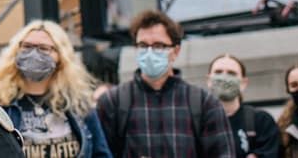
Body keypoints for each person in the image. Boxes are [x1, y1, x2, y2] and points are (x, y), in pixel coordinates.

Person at [95, 9, 234, 158]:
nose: (149, 53)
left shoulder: (203, 103)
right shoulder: (112, 102)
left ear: (175, 51)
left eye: (158, 46)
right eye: (142, 45)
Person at [0, 19, 111, 158]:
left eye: (44, 48)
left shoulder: (79, 105)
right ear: (16, 51)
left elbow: (101, 154)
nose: (34, 53)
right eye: (27, 46)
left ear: (61, 56)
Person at [208, 54, 279, 158]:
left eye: (232, 73)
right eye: (218, 72)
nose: (224, 77)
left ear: (244, 82)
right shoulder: (196, 124)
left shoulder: (261, 121)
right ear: (209, 80)